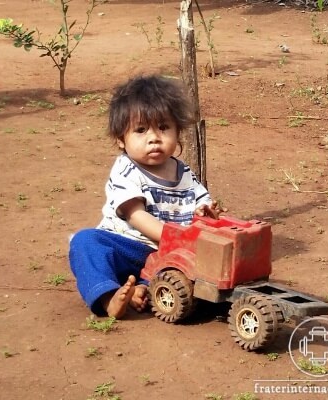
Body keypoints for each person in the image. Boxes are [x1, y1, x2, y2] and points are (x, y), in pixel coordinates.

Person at [69, 75, 225, 319]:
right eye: (141, 130)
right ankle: (109, 298)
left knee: (193, 269)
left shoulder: (183, 172)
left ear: (178, 132)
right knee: (85, 242)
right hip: (128, 247)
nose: (154, 138)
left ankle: (142, 289)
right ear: (120, 139)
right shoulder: (126, 170)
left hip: (167, 256)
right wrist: (176, 238)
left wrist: (205, 213)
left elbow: (202, 204)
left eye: (163, 127)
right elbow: (136, 215)